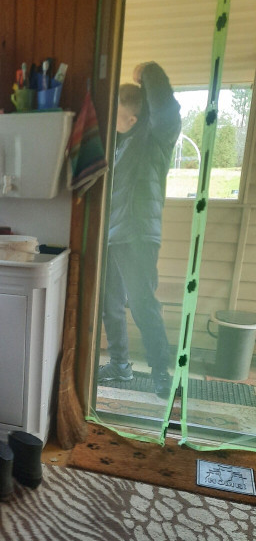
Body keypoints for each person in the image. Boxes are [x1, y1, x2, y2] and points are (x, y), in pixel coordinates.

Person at [99, 61, 181, 399]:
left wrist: (148, 71)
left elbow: (167, 110)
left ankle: (162, 374)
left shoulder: (155, 137)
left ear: (133, 118)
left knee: (143, 303)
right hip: (113, 236)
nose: (112, 120)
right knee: (110, 304)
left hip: (139, 235)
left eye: (117, 113)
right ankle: (120, 365)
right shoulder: (121, 144)